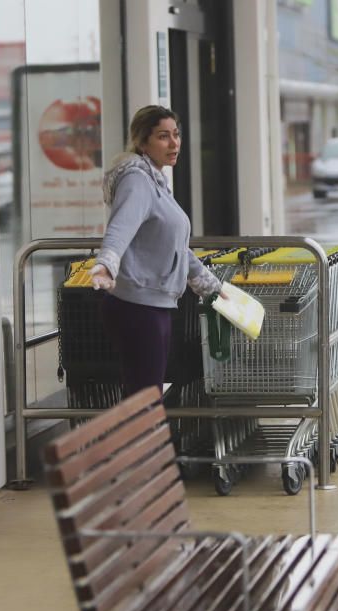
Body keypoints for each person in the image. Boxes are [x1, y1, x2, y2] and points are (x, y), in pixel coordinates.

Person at [89, 105, 223, 396]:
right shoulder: (138, 181)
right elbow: (120, 228)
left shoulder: (156, 182)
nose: (174, 143)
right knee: (145, 401)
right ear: (141, 142)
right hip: (138, 307)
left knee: (146, 398)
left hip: (153, 306)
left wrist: (213, 287)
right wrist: (106, 265)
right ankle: (140, 443)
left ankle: (143, 442)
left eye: (176, 134)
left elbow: (177, 248)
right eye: (163, 136)